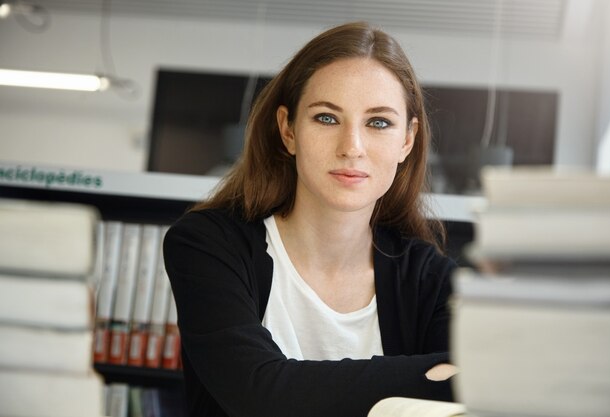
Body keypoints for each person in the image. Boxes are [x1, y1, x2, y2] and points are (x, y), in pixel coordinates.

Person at [163, 21, 459, 417]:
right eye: (326, 118)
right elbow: (258, 395)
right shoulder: (208, 245)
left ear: (407, 140)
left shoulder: (430, 278)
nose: (351, 147)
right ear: (287, 129)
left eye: (378, 123)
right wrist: (433, 375)